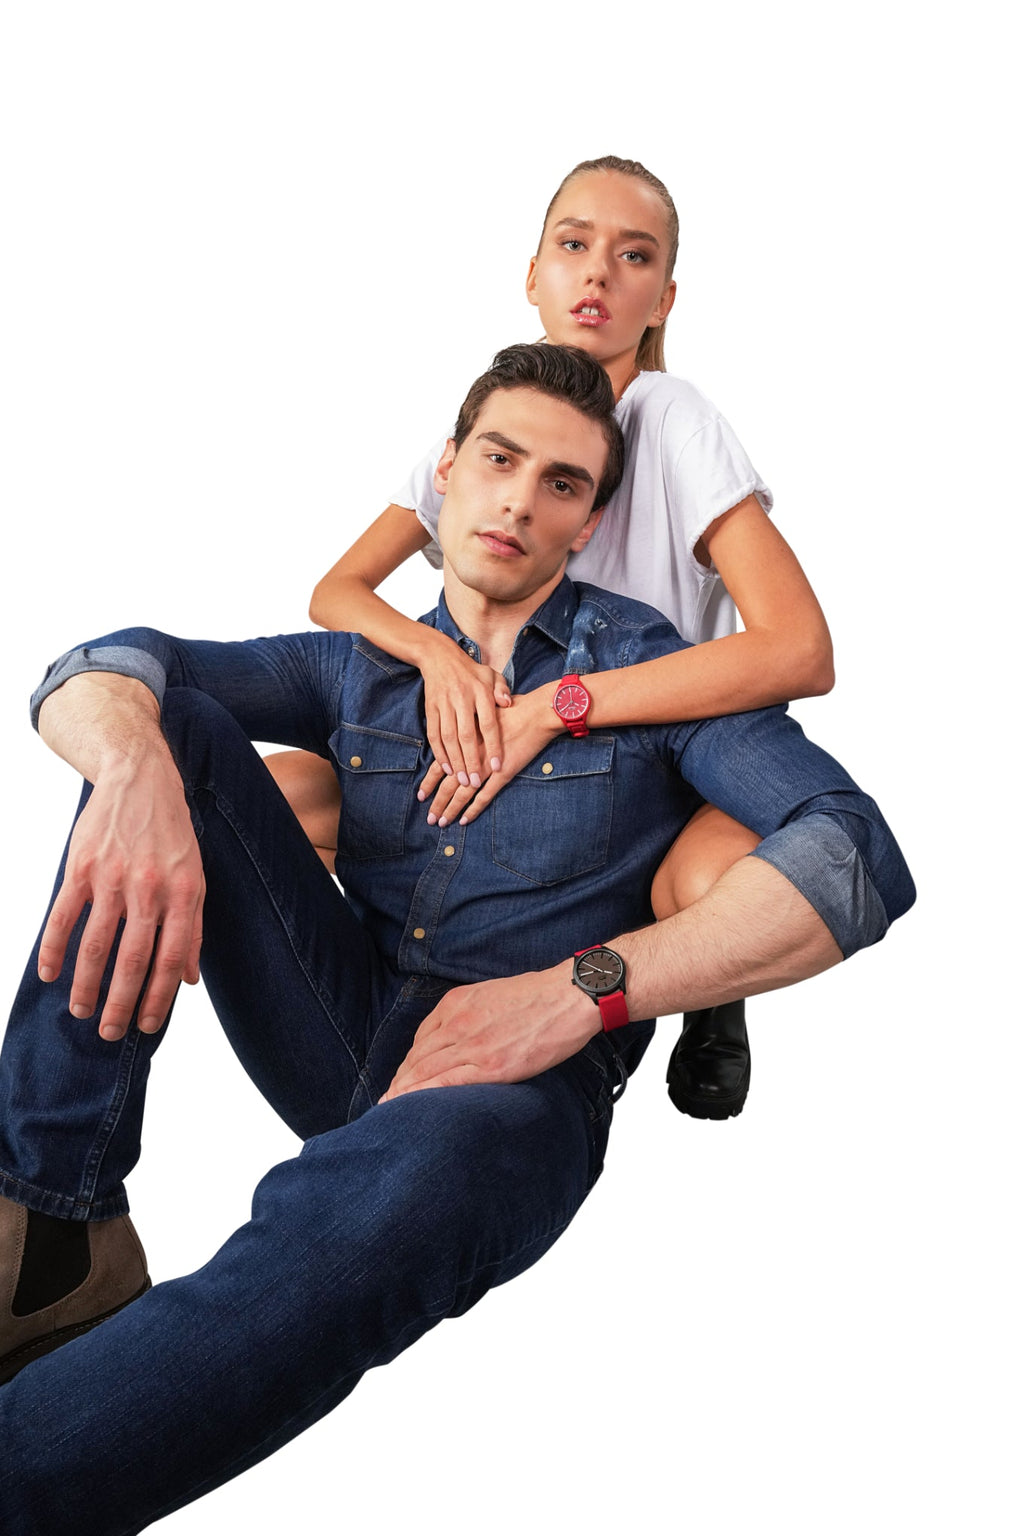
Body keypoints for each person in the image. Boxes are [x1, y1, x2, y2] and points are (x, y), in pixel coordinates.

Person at [0, 344, 913, 1533]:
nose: (519, 501)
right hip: (344, 1023)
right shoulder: (358, 665)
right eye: (498, 459)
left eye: (562, 484)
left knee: (368, 1213)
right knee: (157, 728)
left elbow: (851, 850)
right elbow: (110, 660)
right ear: (445, 470)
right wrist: (132, 776)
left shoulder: (645, 672)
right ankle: (51, 1227)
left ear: (588, 523)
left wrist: (581, 989)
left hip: (512, 1099)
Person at [268, 155, 835, 1121]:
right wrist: (437, 656)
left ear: (663, 300)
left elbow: (800, 651)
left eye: (634, 256)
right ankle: (379, 969)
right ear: (532, 275)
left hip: (637, 753)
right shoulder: (499, 418)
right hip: (492, 728)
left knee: (712, 883)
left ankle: (705, 995)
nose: (599, 272)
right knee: (267, 795)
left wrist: (557, 708)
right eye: (574, 245)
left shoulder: (672, 417)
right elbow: (338, 591)